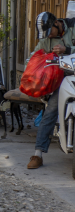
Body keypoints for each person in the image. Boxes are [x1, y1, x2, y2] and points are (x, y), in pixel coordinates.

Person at [27, 11, 75, 169]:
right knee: (50, 111)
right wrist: (37, 61)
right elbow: (34, 55)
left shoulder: (73, 26)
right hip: (62, 80)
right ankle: (38, 153)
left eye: (50, 32)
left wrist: (67, 50)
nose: (48, 36)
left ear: (57, 23)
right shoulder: (46, 41)